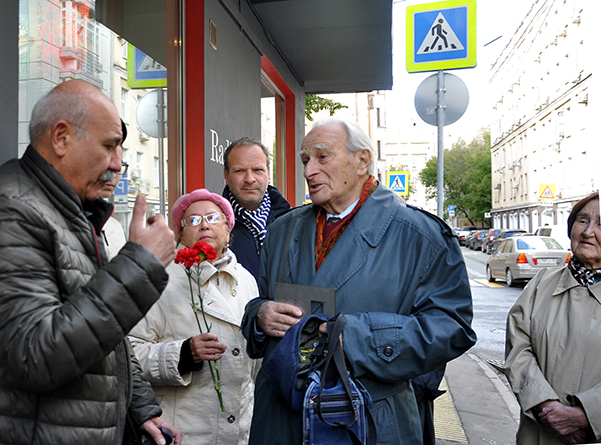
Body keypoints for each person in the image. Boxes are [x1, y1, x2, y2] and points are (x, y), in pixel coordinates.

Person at [0, 79, 181, 445]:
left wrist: (139, 407)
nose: (118, 164)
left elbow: (102, 330)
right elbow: (36, 355)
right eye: (110, 146)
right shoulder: (10, 211)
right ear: (61, 138)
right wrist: (141, 264)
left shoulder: (68, 210)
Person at [241, 117, 477, 444]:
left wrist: (357, 337)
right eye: (305, 160)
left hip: (367, 422)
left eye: (322, 157)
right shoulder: (283, 230)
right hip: (281, 420)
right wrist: (259, 314)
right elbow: (257, 306)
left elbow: (453, 328)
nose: (309, 171)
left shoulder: (421, 235)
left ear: (362, 160)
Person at [129, 189, 260, 445]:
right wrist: (183, 354)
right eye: (192, 220)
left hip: (241, 430)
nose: (204, 226)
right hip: (183, 431)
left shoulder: (247, 280)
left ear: (228, 230)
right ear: (180, 233)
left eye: (213, 217)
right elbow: (129, 354)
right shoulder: (159, 280)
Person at [505, 191, 601, 444]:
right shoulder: (541, 283)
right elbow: (518, 347)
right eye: (582, 220)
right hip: (537, 432)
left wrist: (588, 414)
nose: (588, 231)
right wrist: (544, 404)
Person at [222, 137, 290, 279]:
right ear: (226, 176)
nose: (250, 179)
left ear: (268, 174)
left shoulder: (292, 222)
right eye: (240, 171)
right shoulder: (212, 225)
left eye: (258, 170)